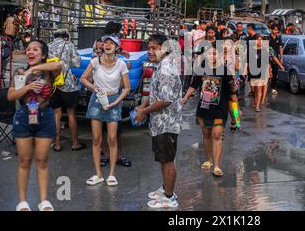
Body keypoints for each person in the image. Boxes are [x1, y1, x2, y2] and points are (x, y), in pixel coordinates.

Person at [7, 40, 62, 211]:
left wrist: (35, 69)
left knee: (42, 160)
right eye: (28, 49)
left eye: (35, 49)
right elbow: (11, 96)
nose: (30, 51)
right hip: (24, 116)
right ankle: (22, 200)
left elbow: (59, 64)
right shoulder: (20, 72)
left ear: (44, 55)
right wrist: (28, 86)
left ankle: (43, 200)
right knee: (24, 161)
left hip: (45, 117)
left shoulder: (49, 72)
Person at [135, 34, 182, 208]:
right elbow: (155, 92)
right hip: (159, 123)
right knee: (163, 159)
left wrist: (144, 112)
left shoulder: (166, 68)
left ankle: (169, 197)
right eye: (148, 48)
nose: (150, 51)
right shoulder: (160, 65)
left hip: (167, 123)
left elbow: (165, 100)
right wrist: (143, 106)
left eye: (154, 48)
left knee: (168, 160)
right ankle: (165, 189)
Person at [80, 34, 131, 187]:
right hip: (97, 100)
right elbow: (83, 78)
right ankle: (98, 174)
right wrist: (94, 87)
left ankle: (112, 174)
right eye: (105, 42)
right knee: (96, 139)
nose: (107, 45)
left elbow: (127, 88)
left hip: (114, 100)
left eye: (111, 43)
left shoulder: (121, 64)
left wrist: (116, 102)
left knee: (112, 139)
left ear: (117, 48)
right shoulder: (95, 61)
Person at [182, 45, 240, 176]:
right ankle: (208, 160)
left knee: (217, 134)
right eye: (209, 54)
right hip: (205, 104)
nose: (212, 56)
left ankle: (217, 166)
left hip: (220, 107)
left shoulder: (225, 71)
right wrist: (185, 97)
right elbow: (194, 84)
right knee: (206, 133)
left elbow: (232, 93)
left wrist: (237, 112)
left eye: (214, 54)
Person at [48, 29, 85, 152]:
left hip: (53, 83)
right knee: (71, 113)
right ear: (65, 36)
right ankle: (75, 143)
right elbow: (77, 63)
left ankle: (57, 144)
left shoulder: (48, 46)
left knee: (56, 114)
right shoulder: (69, 45)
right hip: (68, 83)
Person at [268, 24, 285, 95]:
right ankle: (265, 86)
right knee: (268, 73)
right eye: (274, 30)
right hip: (268, 58)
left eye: (277, 30)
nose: (276, 31)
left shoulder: (278, 38)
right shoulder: (267, 38)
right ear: (271, 30)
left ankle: (273, 88)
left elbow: (280, 48)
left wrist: (281, 57)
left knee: (275, 73)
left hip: (276, 58)